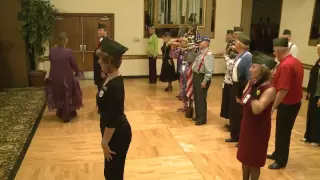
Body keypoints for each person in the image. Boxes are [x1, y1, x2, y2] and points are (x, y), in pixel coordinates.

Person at [237, 52, 277, 180]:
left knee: (254, 162)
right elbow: (242, 100)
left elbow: (257, 109)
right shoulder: (252, 82)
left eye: (253, 67)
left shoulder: (270, 89)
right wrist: (248, 87)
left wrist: (253, 90)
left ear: (263, 70)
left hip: (258, 130)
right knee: (244, 158)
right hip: (247, 125)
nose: (250, 69)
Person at [96, 38, 132, 179]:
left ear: (109, 62)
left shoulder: (115, 86)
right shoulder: (110, 77)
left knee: (113, 174)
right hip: (111, 132)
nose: (99, 62)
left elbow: (113, 118)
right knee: (110, 172)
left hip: (117, 135)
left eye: (101, 60)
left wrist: (104, 142)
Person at [267, 37, 304, 169]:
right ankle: (278, 153)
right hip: (295, 102)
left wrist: (273, 107)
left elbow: (283, 90)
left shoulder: (285, 65)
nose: (273, 54)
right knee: (281, 131)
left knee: (283, 132)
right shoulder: (295, 61)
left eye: (274, 52)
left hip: (288, 104)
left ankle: (281, 161)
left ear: (278, 50)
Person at [45, 32, 83, 123]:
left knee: (59, 94)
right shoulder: (68, 51)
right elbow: (73, 64)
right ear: (66, 41)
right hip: (67, 76)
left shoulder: (52, 51)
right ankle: (67, 115)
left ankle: (60, 112)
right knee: (67, 94)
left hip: (55, 76)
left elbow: (52, 60)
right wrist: (78, 72)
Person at [226, 34, 252, 143]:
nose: (234, 44)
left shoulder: (247, 57)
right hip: (235, 85)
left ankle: (241, 138)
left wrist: (241, 93)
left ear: (240, 44)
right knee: (234, 113)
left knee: (240, 113)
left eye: (236, 42)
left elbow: (248, 77)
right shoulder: (240, 55)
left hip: (241, 86)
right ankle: (234, 135)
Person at [192, 37, 214, 125]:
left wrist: (205, 81)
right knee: (197, 97)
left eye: (201, 42)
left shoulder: (208, 55)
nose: (199, 43)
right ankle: (198, 115)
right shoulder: (200, 53)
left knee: (201, 98)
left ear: (206, 44)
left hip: (202, 77)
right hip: (196, 76)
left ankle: (202, 118)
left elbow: (209, 71)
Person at [303, 44, 320, 146]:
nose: (318, 52)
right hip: (313, 92)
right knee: (311, 114)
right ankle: (308, 136)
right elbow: (312, 77)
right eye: (318, 50)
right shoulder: (317, 61)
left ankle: (317, 139)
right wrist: (308, 91)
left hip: (319, 94)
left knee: (318, 117)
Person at [220, 30, 238, 130]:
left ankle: (233, 124)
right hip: (230, 82)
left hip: (230, 83)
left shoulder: (230, 61)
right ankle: (231, 123)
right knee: (230, 104)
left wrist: (229, 50)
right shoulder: (236, 60)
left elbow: (225, 55)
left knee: (231, 105)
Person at [94, 23, 108, 91]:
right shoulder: (101, 40)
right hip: (98, 67)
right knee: (99, 87)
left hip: (102, 68)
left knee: (102, 87)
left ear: (105, 32)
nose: (98, 31)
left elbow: (104, 56)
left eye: (100, 30)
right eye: (98, 30)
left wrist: (103, 70)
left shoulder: (106, 42)